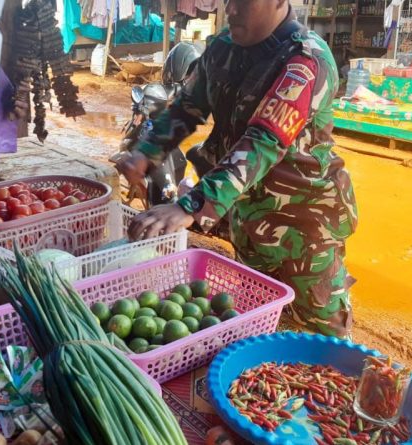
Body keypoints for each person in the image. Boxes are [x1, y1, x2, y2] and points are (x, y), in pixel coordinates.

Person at [116, 0, 358, 337]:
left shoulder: (306, 60)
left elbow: (263, 141)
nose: (230, 9)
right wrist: (146, 152)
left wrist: (191, 204)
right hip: (249, 218)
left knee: (322, 334)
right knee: (261, 318)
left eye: (242, 1)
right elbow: (187, 107)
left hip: (305, 229)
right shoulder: (223, 47)